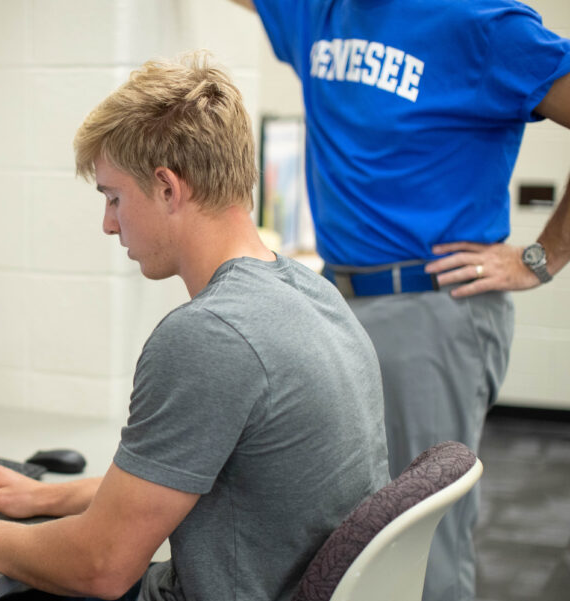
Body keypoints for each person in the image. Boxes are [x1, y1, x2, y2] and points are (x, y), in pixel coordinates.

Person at [0, 51, 389, 601]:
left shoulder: (212, 336)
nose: (107, 223)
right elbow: (206, 483)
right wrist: (45, 498)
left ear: (169, 188)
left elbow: (100, 567)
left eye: (114, 197)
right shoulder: (310, 291)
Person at [227, 1, 570, 599]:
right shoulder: (318, 9)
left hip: (429, 309)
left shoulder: (482, 23)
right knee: (338, 529)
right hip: (335, 301)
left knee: (419, 540)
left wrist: (543, 257)